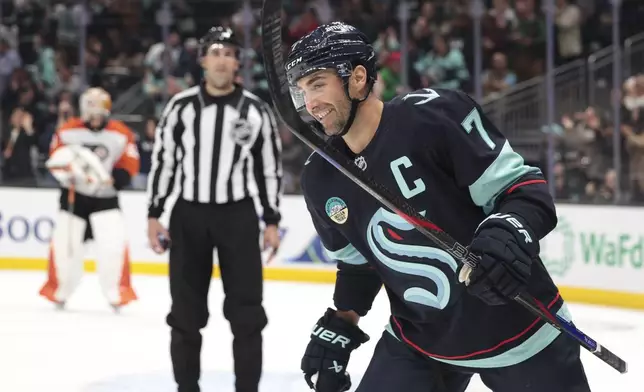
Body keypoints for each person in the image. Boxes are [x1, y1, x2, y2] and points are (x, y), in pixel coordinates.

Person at [288, 22, 591, 392]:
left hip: (519, 329)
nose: (310, 103)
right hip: (420, 342)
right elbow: (360, 266)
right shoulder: (322, 176)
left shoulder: (433, 117)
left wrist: (507, 231)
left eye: (317, 83)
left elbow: (527, 193)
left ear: (357, 78)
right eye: (302, 90)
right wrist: (341, 322)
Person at [146, 26, 283, 392]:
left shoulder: (256, 111)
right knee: (185, 315)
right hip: (188, 216)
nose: (222, 59)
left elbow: (268, 168)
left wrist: (271, 220)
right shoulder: (181, 107)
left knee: (247, 314)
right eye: (215, 52)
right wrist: (154, 213)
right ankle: (186, 387)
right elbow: (164, 162)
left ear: (237, 61)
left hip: (237, 217)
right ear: (203, 60)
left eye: (229, 52)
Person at [39, 87, 140, 312]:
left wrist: (116, 180)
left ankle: (117, 293)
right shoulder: (67, 131)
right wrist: (68, 174)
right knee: (66, 247)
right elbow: (55, 160)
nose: (95, 115)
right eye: (90, 108)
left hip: (105, 199)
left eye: (99, 109)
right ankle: (59, 290)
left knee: (113, 246)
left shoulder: (120, 133)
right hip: (74, 197)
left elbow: (129, 163)